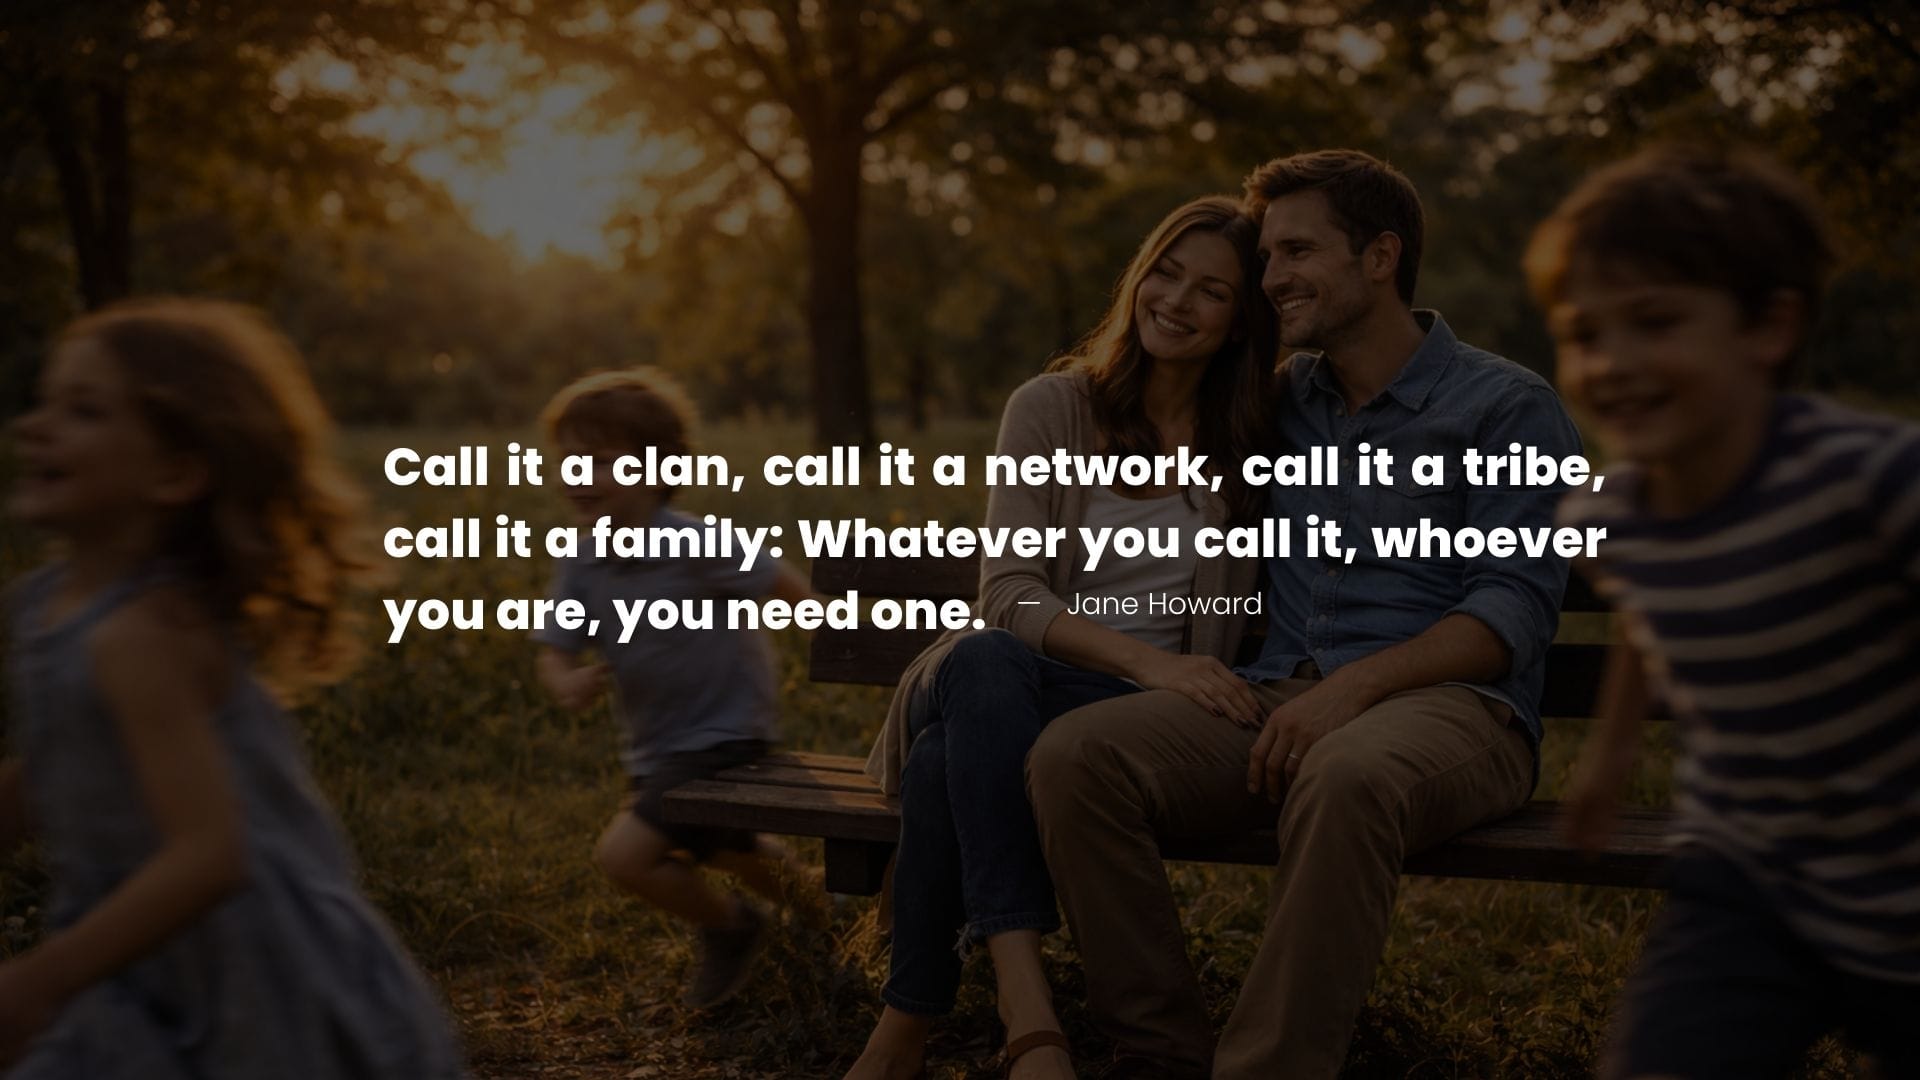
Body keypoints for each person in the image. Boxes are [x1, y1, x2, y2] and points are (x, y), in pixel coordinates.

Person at [1025, 150, 1583, 1079]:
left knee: (1349, 774)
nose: (1269, 278)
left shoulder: (1509, 408)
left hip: (1453, 709)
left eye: (1295, 253)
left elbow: (1510, 613)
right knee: (1078, 757)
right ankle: (1161, 1050)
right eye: (1268, 258)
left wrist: (1352, 691)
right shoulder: (1282, 401)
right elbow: (1153, 426)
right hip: (1277, 695)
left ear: (1379, 257)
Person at [845, 195, 1278, 1080]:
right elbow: (1006, 594)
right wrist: (1155, 664)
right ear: (1137, 278)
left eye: (1212, 292)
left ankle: (906, 1026)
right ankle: (1026, 1002)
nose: (1177, 301)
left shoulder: (1252, 444)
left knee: (942, 763)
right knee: (988, 660)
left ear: (1240, 325)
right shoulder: (1052, 406)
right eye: (1165, 272)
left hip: (1116, 717)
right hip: (1005, 669)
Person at [0, 299, 465, 1077]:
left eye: (83, 411)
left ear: (176, 472)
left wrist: (37, 981)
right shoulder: (47, 604)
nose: (34, 427)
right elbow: (62, 763)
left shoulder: (143, 634)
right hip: (141, 969)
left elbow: (211, 856)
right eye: (46, 402)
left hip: (254, 976)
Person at [1540, 146, 1920, 1079]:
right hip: (1748, 881)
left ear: (1770, 327)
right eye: (1585, 334)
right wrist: (1611, 752)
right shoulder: (1612, 512)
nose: (1613, 363)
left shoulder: (1869, 479)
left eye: (1656, 322)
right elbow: (1642, 611)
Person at [532, 368, 817, 1011]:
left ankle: (733, 927)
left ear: (657, 469)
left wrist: (833, 626)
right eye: (568, 462)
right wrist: (567, 681)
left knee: (626, 856)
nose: (578, 476)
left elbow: (788, 587)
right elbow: (552, 650)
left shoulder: (696, 542)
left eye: (599, 462)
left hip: (727, 738)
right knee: (740, 852)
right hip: (657, 749)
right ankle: (829, 915)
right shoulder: (583, 563)